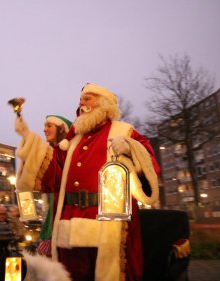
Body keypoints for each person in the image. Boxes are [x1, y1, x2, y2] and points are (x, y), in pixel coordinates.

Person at [14, 83, 160, 281]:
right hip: (69, 222)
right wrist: (29, 141)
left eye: (88, 98)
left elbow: (151, 166)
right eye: (81, 99)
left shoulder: (124, 131)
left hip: (109, 221)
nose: (82, 102)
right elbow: (52, 173)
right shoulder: (72, 141)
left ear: (104, 104)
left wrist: (130, 147)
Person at [37, 115, 72, 257]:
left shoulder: (65, 152)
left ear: (61, 128)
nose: (44, 129)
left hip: (65, 214)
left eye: (49, 126)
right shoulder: (52, 152)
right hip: (53, 212)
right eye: (44, 126)